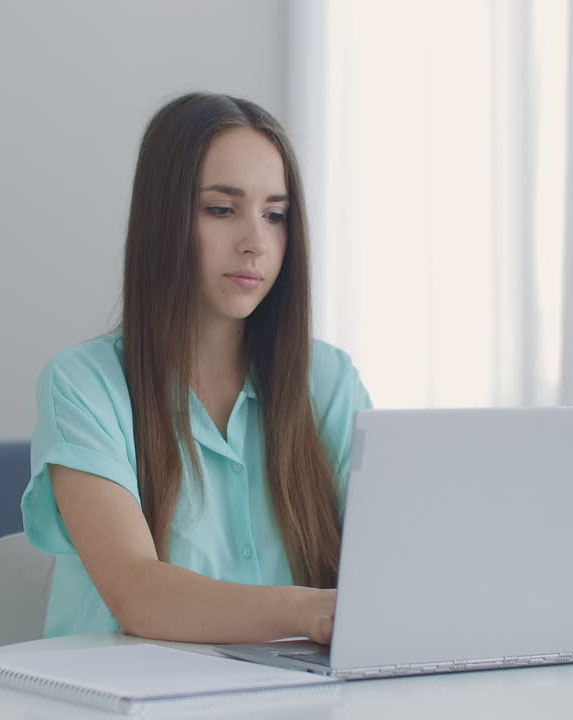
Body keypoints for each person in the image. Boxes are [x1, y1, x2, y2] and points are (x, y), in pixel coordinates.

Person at [21, 91, 371, 645]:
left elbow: (395, 562)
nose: (256, 242)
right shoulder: (83, 387)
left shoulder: (328, 381)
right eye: (221, 209)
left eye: (275, 215)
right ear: (165, 220)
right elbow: (138, 594)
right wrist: (309, 612)